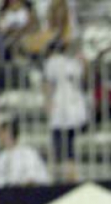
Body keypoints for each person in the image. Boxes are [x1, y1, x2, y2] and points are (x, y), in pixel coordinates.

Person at [43, 39, 87, 183]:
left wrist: (85, 63)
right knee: (58, 136)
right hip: (60, 102)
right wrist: (48, 102)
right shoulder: (53, 62)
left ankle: (70, 170)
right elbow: (48, 83)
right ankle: (59, 170)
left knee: (70, 137)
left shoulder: (77, 62)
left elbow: (83, 80)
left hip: (73, 103)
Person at [0, 117, 51, 187]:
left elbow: (32, 179)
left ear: (9, 133)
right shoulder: (0, 159)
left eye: (2, 132)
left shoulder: (28, 153)